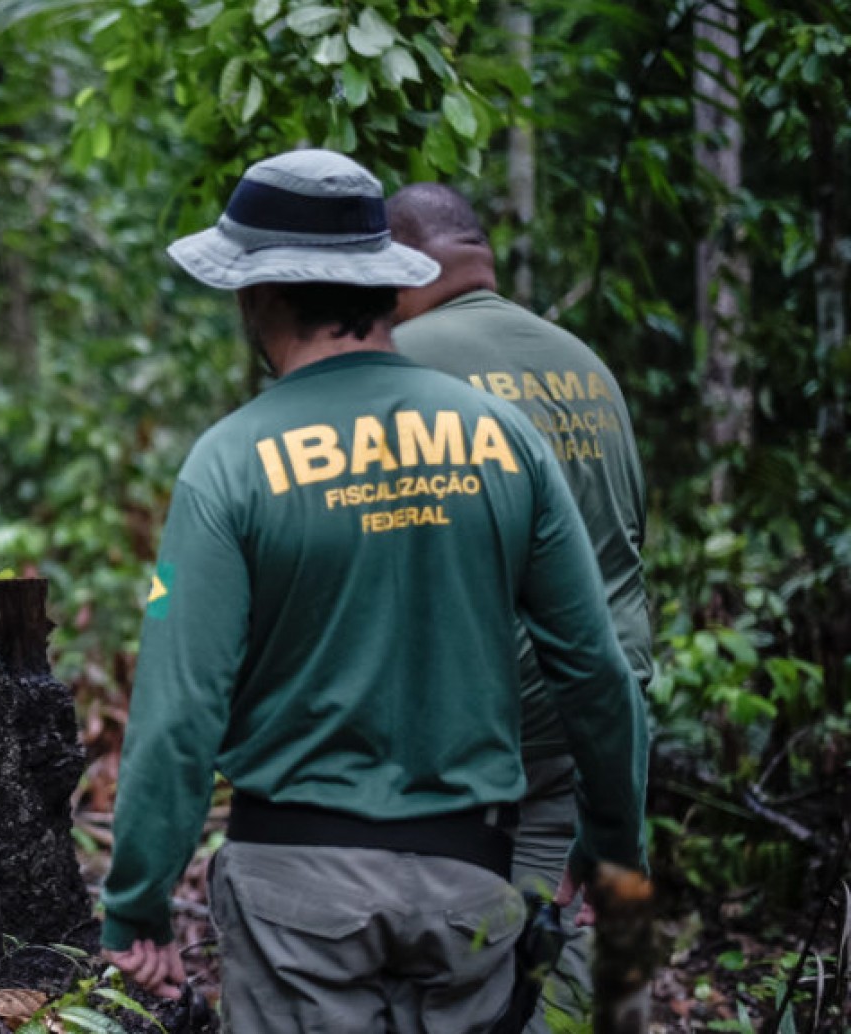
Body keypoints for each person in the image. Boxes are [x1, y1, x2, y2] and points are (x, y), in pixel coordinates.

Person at [98, 148, 648, 1033]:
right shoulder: (502, 438)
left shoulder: (229, 462)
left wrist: (138, 903)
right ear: (386, 287)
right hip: (472, 882)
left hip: (294, 897)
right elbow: (595, 667)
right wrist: (613, 841)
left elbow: (180, 714)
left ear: (258, 294)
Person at [388, 182, 654, 1032]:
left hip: (468, 735)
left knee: (444, 978)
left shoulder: (398, 366)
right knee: (564, 951)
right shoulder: (589, 367)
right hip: (598, 724)